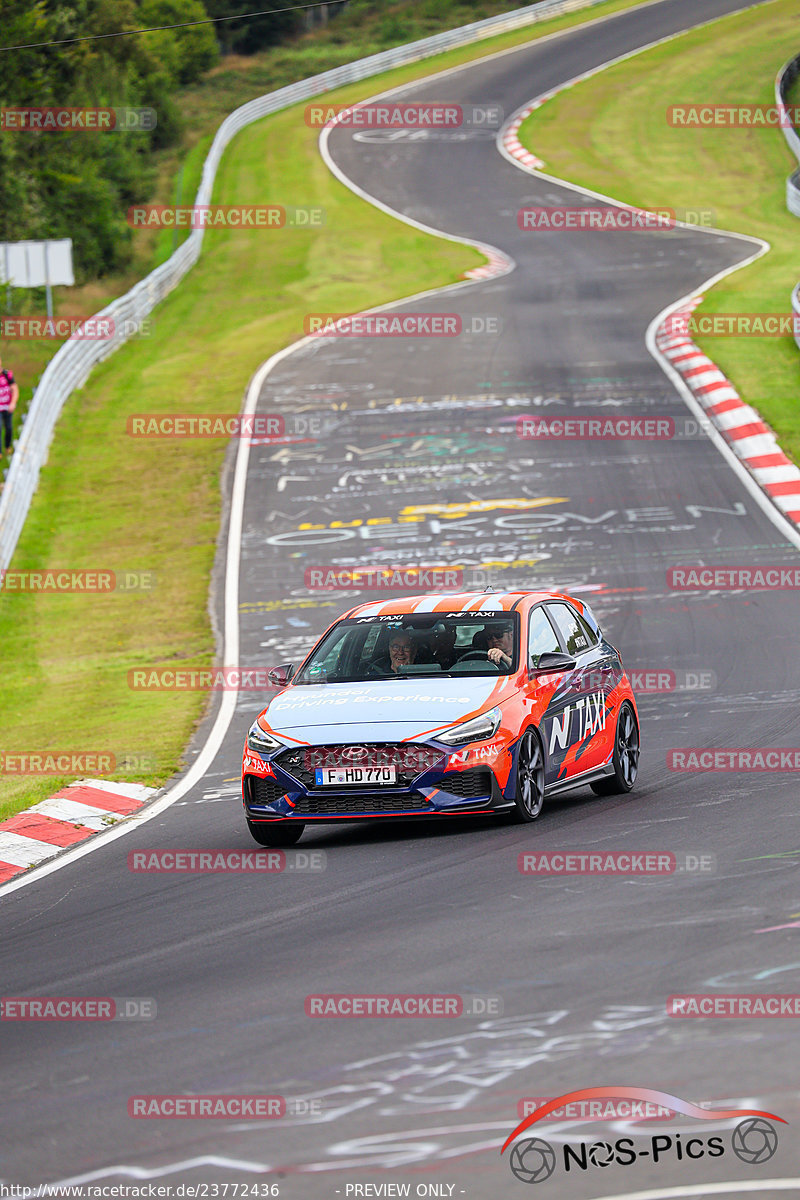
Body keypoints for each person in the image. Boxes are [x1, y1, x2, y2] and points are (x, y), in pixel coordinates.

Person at [0, 356, 18, 458]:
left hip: (7, 407)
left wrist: (13, 402)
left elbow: (14, 389)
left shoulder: (7, 375)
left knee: (8, 428)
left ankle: (7, 446)